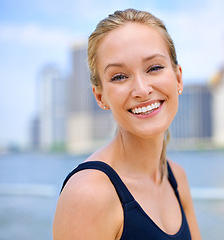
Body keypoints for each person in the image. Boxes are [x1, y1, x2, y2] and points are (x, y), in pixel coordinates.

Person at [53, 8, 201, 240]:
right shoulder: (88, 194)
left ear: (178, 78)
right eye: (119, 76)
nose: (142, 90)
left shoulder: (176, 177)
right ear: (100, 97)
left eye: (154, 68)